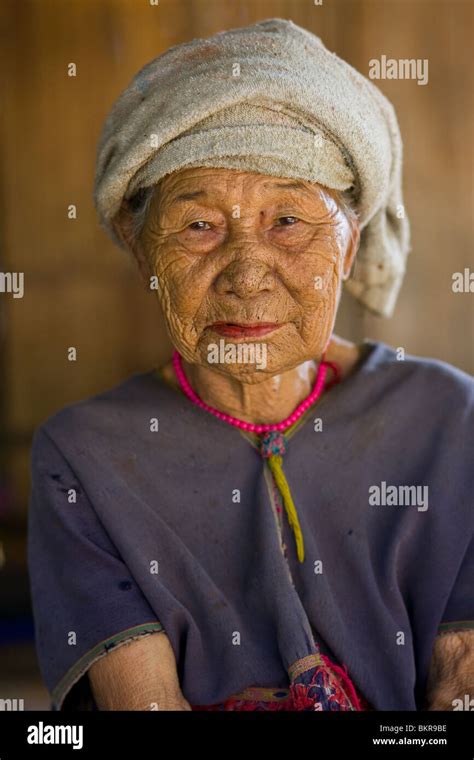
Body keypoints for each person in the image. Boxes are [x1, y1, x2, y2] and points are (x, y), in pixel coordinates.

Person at [28, 18, 473, 712]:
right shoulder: (86, 454)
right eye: (199, 225)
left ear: (349, 246)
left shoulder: (450, 419)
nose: (246, 275)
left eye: (288, 221)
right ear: (139, 247)